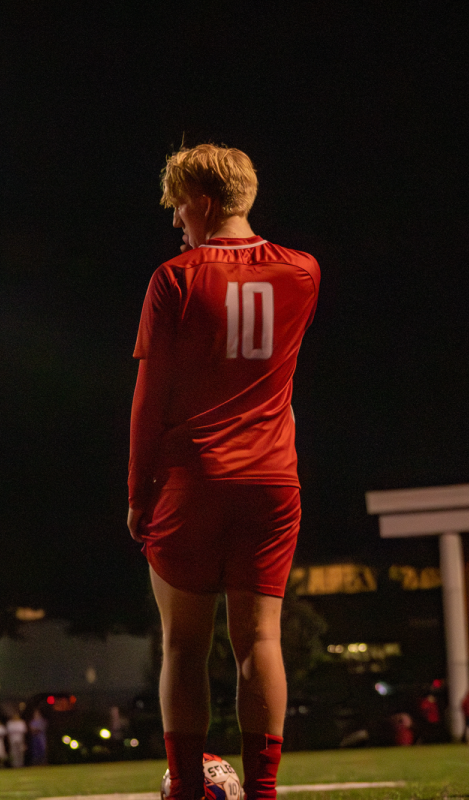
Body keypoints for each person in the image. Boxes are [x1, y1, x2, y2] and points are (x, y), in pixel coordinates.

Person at [127, 143, 320, 800]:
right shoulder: (303, 272)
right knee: (259, 639)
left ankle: (186, 790)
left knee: (183, 646)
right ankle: (262, 794)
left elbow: (149, 400)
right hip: (272, 480)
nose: (177, 221)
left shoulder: (174, 278)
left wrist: (136, 491)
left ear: (203, 201)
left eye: (179, 206)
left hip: (195, 476)